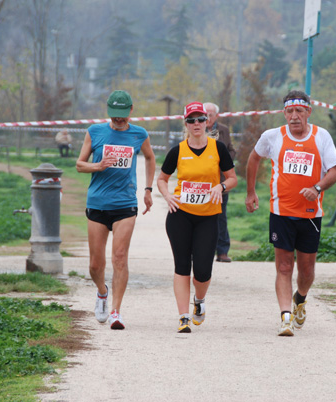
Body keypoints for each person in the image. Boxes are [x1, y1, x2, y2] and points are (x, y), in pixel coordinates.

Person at [245, 90, 336, 337]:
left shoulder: (321, 136)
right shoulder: (272, 136)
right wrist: (251, 192)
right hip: (281, 212)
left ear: (309, 111)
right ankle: (285, 318)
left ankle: (301, 297)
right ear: (284, 113)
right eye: (289, 111)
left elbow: (334, 171)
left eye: (299, 111)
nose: (294, 116)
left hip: (310, 215)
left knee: (307, 271)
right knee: (284, 266)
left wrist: (317, 187)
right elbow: (253, 158)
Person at [76, 90, 156, 330]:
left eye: (123, 116)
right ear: (108, 112)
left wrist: (148, 189)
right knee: (95, 265)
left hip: (125, 204)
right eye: (115, 116)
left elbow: (151, 158)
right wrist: (97, 166)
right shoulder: (95, 132)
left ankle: (116, 311)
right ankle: (102, 292)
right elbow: (79, 165)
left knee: (119, 257)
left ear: (131, 111)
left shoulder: (139, 134)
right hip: (98, 204)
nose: (119, 120)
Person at [157, 101, 237, 333]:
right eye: (191, 120)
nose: (196, 124)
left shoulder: (218, 148)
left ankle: (199, 301)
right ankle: (183, 317)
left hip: (208, 217)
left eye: (200, 119)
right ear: (186, 123)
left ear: (207, 122)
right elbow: (162, 178)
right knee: (182, 266)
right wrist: (167, 196)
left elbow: (232, 178)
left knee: (202, 270)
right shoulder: (178, 150)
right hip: (180, 215)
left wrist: (220, 188)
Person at [204, 102, 236, 263]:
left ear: (216, 116)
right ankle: (202, 250)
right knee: (201, 218)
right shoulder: (196, 128)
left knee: (220, 217)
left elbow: (231, 150)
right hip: (201, 183)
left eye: (211, 114)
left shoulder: (223, 130)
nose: (208, 117)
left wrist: (222, 161)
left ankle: (222, 251)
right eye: (205, 114)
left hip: (221, 181)